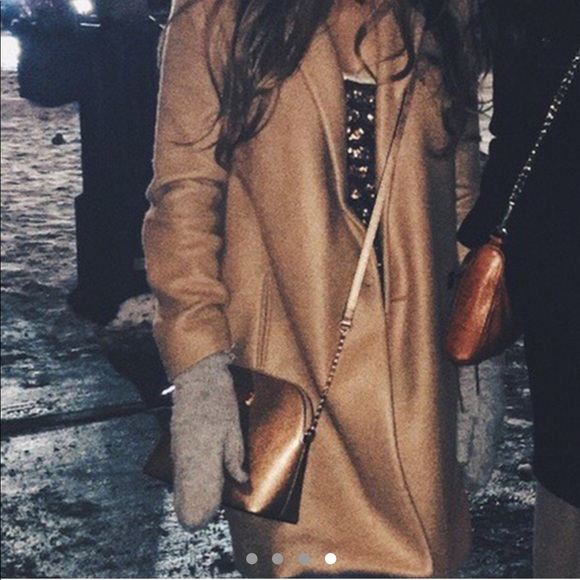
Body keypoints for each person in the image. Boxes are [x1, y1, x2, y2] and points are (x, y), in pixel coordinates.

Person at [142, 0, 481, 576]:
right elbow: (184, 196)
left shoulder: (443, 11)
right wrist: (199, 371)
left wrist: (474, 360)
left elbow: (460, 192)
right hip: (291, 389)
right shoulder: (221, 12)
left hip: (419, 387)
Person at [458, 0, 580, 576]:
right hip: (555, 252)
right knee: (564, 457)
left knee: (564, 457)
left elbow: (510, 132)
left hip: (549, 248)